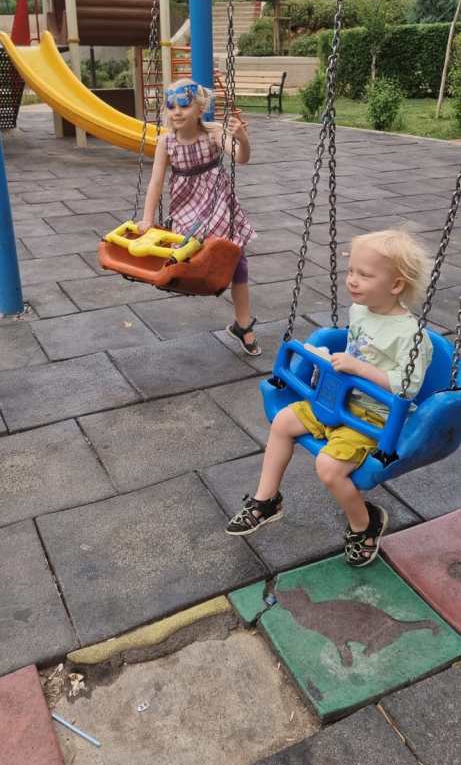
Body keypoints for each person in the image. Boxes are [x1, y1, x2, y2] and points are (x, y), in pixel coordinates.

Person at [226, 229, 433, 566]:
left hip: (372, 418)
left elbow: (407, 388)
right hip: (336, 401)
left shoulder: (411, 336)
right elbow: (353, 349)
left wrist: (360, 369)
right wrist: (324, 359)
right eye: (351, 271)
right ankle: (267, 500)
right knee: (283, 422)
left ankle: (365, 524)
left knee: (328, 468)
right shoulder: (360, 310)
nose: (352, 280)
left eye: (364, 275)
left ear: (396, 285)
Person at [137, 79, 260, 355]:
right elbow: (156, 182)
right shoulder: (166, 142)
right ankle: (203, 280)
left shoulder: (213, 133)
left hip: (217, 202)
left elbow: (241, 158)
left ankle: (243, 325)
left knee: (237, 257)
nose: (177, 111)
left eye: (184, 105)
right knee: (192, 256)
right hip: (187, 208)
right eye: (171, 106)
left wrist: (242, 139)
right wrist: (147, 219)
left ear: (200, 108)